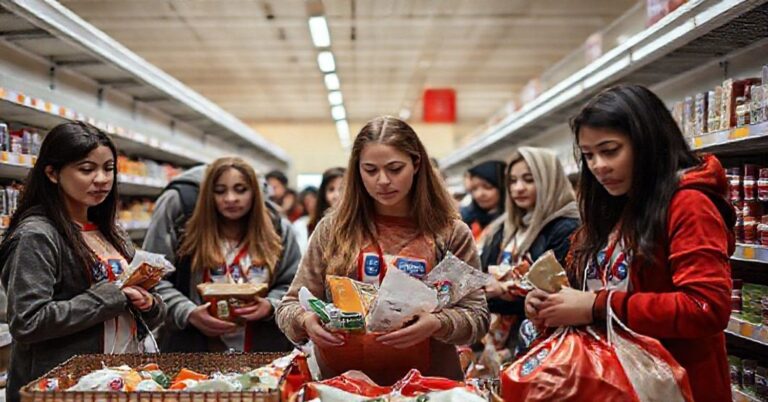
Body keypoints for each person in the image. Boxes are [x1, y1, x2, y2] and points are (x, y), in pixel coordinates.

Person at [525, 85, 734, 402]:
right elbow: (590, 288)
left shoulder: (688, 205)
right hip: (609, 383)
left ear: (647, 143)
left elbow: (704, 307)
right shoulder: (608, 210)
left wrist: (596, 306)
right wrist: (549, 305)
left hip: (674, 387)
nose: (598, 166)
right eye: (588, 156)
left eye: (610, 151)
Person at [276, 116, 489, 382]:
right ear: (357, 171)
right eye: (371, 170)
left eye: (395, 168)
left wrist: (438, 323)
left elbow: (478, 318)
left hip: (429, 387)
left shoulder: (449, 233)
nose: (383, 180)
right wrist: (305, 322)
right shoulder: (332, 231)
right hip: (343, 387)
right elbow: (289, 306)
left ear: (416, 164)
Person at [0, 122, 166, 402]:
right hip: (62, 389)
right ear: (52, 173)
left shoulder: (111, 231)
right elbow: (28, 322)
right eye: (87, 169)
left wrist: (150, 304)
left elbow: (148, 309)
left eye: (108, 168)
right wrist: (112, 296)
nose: (101, 178)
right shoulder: (38, 235)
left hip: (117, 381)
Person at [157, 157, 300, 353]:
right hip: (197, 352)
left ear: (255, 193)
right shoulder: (187, 234)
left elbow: (294, 285)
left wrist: (270, 305)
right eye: (220, 191)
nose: (231, 198)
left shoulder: (278, 232)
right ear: (209, 195)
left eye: (240, 189)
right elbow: (157, 281)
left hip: (264, 351)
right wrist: (188, 312)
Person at [480, 147, 580, 358]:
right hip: (495, 340)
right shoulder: (503, 228)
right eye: (513, 181)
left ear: (549, 180)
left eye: (528, 179)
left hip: (539, 344)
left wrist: (498, 293)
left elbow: (555, 294)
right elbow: (481, 277)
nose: (518, 188)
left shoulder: (567, 228)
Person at [461, 160, 506, 240]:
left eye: (487, 187)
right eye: (474, 189)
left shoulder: (512, 222)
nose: (479, 194)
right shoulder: (468, 221)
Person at [307, 167, 346, 236]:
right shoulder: (315, 225)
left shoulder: (360, 223)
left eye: (342, 189)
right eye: (331, 189)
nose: (336, 195)